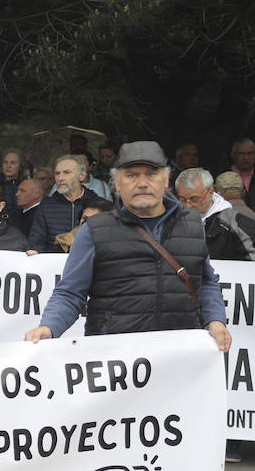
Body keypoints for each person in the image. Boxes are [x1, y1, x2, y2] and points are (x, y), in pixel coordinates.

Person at [25, 141, 230, 353]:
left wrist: (215, 320)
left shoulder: (193, 224)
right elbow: (70, 293)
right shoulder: (94, 230)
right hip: (115, 363)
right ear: (117, 182)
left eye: (151, 174)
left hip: (179, 359)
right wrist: (48, 328)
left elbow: (205, 281)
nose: (142, 183)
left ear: (165, 180)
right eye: (132, 175)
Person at [28, 155, 108, 252]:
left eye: (67, 173)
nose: (60, 178)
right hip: (53, 264)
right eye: (57, 173)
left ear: (82, 176)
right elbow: (36, 241)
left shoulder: (97, 205)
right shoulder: (46, 205)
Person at [175, 168, 255, 261]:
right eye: (182, 199)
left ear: (211, 192)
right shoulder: (170, 219)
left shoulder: (237, 224)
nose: (187, 205)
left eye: (194, 199)